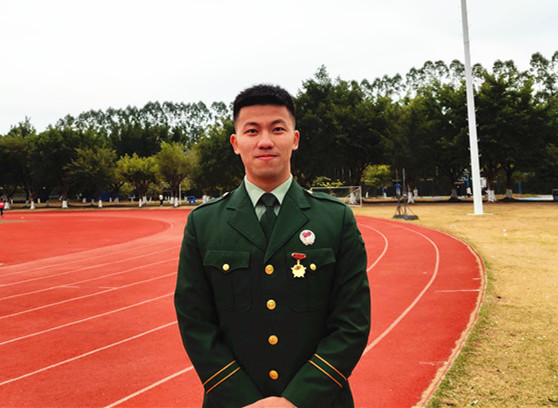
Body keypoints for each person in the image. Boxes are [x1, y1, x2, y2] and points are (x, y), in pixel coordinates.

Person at [174, 84, 370, 408]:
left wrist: (296, 400)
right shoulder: (204, 223)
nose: (265, 141)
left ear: (295, 139)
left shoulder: (335, 219)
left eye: (277, 129)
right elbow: (195, 323)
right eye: (252, 130)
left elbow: (352, 324)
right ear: (236, 143)